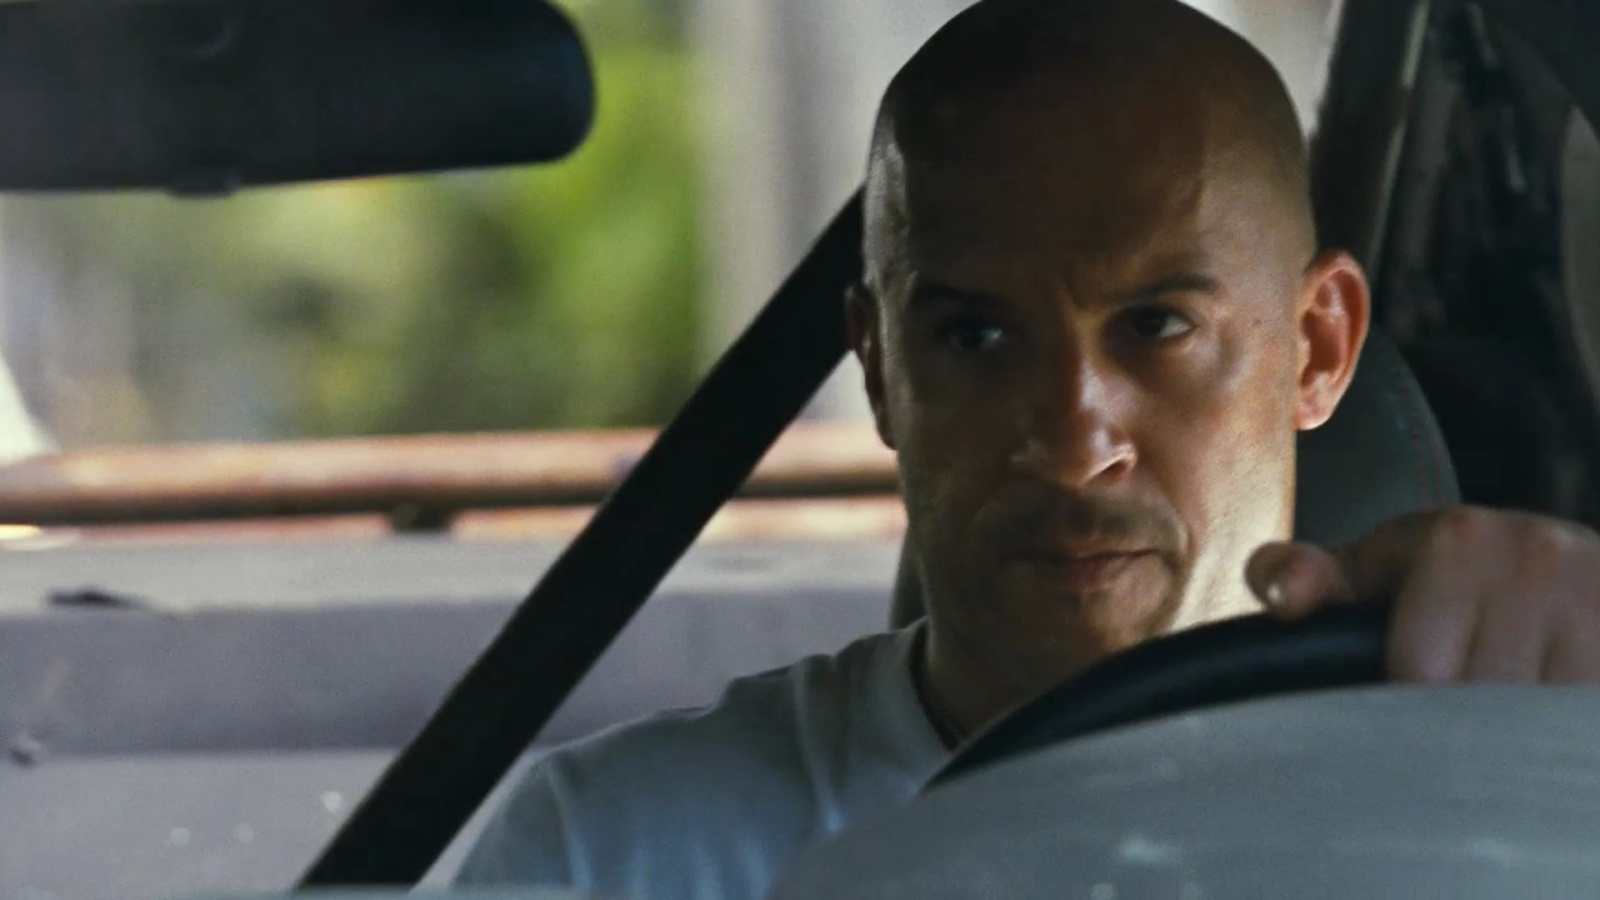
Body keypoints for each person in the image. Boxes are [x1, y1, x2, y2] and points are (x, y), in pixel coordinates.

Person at [457, 1, 1600, 897]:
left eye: (1156, 326)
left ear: (1319, 346)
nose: (1070, 445)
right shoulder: (620, 849)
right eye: (976, 337)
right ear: (880, 370)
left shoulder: (1498, 800)